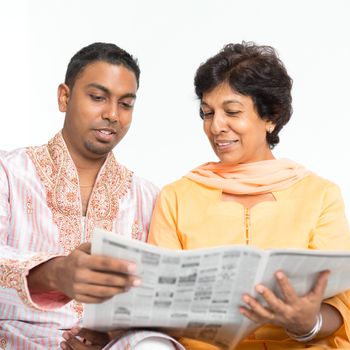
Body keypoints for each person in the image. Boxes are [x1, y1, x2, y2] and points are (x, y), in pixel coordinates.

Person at [147, 42, 350, 349]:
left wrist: (308, 323)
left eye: (232, 112)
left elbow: (340, 306)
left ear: (271, 117)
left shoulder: (320, 196)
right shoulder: (177, 197)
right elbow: (156, 301)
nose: (216, 127)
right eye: (207, 113)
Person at [0, 42, 183, 350]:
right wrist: (55, 273)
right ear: (65, 97)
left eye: (125, 104)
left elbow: (156, 298)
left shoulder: (147, 197)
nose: (112, 114)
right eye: (98, 97)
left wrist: (109, 337)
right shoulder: (9, 172)